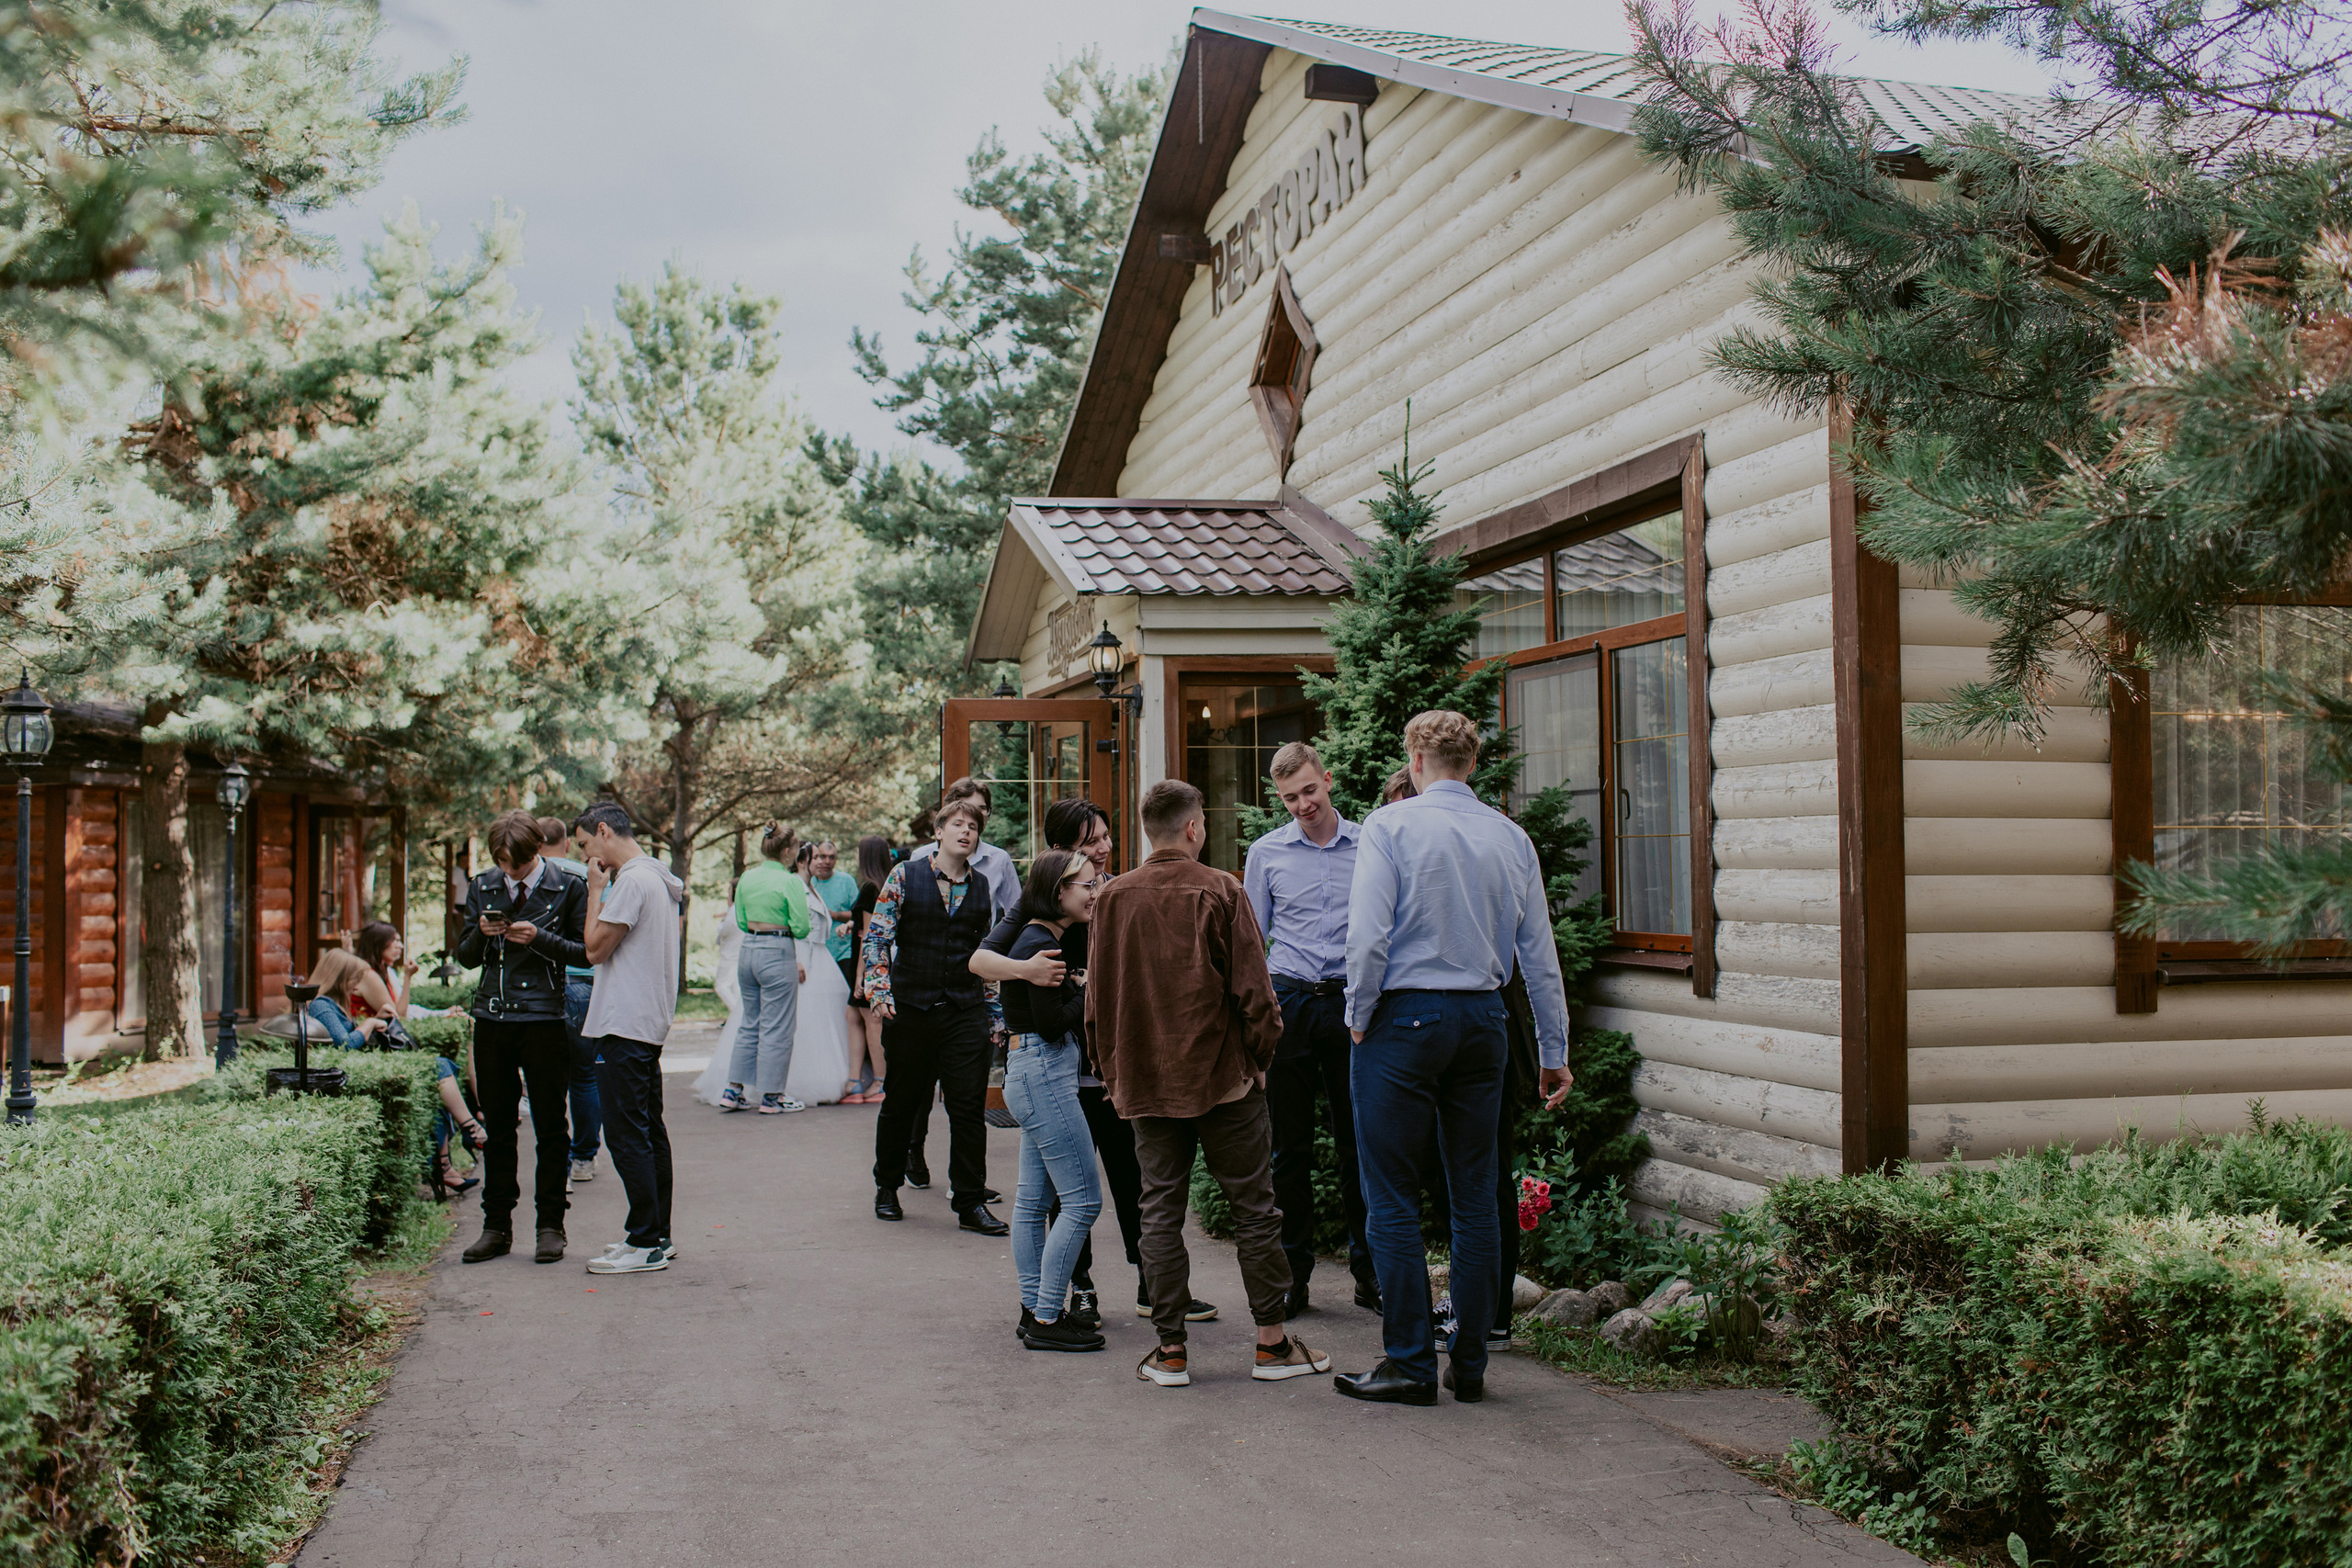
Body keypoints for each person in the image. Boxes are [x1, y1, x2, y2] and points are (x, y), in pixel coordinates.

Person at [1333, 711, 1575, 1407]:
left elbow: (1368, 936)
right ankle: (1469, 1362)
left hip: (1403, 1018)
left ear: (1415, 760)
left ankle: (1410, 1361)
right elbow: (1540, 956)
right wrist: (1553, 1050)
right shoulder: (1510, 836)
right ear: (1471, 764)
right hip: (1484, 1020)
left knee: (1391, 1192)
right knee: (1476, 1196)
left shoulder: (1389, 826)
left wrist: (1358, 1014)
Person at [1087, 778, 1329, 1390]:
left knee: (1158, 1211)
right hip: (1225, 1079)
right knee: (1255, 1209)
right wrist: (1260, 1060)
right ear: (1194, 827)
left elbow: (1097, 1003)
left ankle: (1170, 1351)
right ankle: (1271, 1344)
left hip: (1147, 1080)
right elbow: (1257, 995)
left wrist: (1113, 1071)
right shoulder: (1222, 889)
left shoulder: (1112, 897)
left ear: (1149, 831)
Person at [968, 797, 1213, 1329]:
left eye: (1105, 836)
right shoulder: (1046, 905)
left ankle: (1155, 1286)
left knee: (1133, 1179)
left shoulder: (1117, 889)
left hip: (1108, 1067)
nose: (1104, 848)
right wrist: (1030, 972)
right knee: (1067, 1194)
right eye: (1090, 841)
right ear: (1061, 853)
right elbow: (981, 960)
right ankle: (1076, 1290)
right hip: (1058, 1068)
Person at [1244, 741, 1380, 1318]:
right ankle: (1291, 1277)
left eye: (1308, 790)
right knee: (1288, 1150)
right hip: (1292, 1003)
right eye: (1289, 798)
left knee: (1359, 1145)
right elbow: (1252, 940)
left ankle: (1370, 1275)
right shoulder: (1266, 853)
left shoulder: (1371, 844)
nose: (1302, 805)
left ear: (1327, 779)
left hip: (1354, 1006)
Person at [862, 793, 1009, 1236]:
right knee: (902, 1102)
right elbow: (878, 937)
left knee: (968, 1108)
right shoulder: (905, 875)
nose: (967, 832)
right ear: (939, 832)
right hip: (911, 1008)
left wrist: (995, 1014)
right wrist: (879, 990)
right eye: (958, 825)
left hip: (965, 1010)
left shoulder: (982, 886)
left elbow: (984, 955)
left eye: (974, 827)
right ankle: (887, 1186)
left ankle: (969, 1202)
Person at [454, 810, 590, 1268]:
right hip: (492, 1016)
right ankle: (496, 1227)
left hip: (544, 1017)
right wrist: (481, 933)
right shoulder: (483, 885)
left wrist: (539, 938)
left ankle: (550, 1226)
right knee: (498, 1128)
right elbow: (465, 956)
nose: (510, 872)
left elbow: (586, 953)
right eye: (503, 864)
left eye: (518, 864)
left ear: (536, 851)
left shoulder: (568, 886)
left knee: (551, 1126)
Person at [998, 850, 1106, 1352]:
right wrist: (1090, 989)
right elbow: (1050, 1024)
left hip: (1029, 1071)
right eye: (1087, 884)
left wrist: (1075, 986)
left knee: (1033, 1202)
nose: (1094, 891)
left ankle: (1034, 1309)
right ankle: (1045, 1317)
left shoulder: (1035, 939)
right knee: (1083, 1201)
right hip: (1043, 1072)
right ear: (1059, 892)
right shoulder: (1043, 945)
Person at [576, 801, 687, 1276]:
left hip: (623, 1023)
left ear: (604, 831)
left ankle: (644, 1242)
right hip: (645, 1021)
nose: (585, 856)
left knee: (626, 1136)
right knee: (648, 1131)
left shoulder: (632, 881)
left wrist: (594, 891)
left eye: (585, 844)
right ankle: (656, 1234)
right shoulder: (657, 878)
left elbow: (594, 949)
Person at [718, 822, 812, 1114]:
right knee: (778, 1026)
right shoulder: (790, 881)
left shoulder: (747, 877)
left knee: (750, 1022)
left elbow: (741, 919)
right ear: (786, 852)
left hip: (749, 950)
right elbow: (801, 928)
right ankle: (772, 1097)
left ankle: (733, 1090)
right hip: (777, 950)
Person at [539, 816, 603, 1186]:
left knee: (548, 1079)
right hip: (585, 984)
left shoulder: (531, 879)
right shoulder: (588, 876)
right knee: (585, 1075)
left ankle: (556, 1166)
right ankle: (583, 1158)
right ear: (566, 843)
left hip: (543, 986)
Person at [783, 855, 854, 1107]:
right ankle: (802, 1081)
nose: (822, 861)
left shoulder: (812, 888)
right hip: (805, 957)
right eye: (816, 857)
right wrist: (795, 959)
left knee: (826, 1021)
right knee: (806, 1021)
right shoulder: (794, 885)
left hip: (822, 959)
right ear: (803, 861)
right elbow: (790, 925)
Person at [809, 840, 864, 1088]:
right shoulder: (808, 882)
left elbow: (859, 913)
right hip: (816, 955)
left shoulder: (846, 881)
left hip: (843, 954)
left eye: (831, 857)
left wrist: (834, 915)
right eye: (821, 856)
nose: (826, 862)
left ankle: (850, 1063)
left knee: (846, 1011)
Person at [842, 835, 891, 1102]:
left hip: (867, 962)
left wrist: (862, 973)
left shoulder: (870, 888)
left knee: (872, 1019)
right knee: (853, 1015)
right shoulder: (885, 885)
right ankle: (855, 1081)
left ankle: (880, 1082)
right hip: (876, 960)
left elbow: (869, 935)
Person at [301, 947, 390, 1047]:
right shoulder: (320, 1005)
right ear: (340, 979)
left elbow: (353, 1036)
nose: (357, 986)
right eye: (355, 979)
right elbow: (345, 1045)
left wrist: (377, 1019)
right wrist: (370, 1023)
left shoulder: (333, 1004)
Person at [351, 920, 418, 1021]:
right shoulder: (368, 974)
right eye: (395, 940)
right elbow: (398, 1016)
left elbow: (400, 1009)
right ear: (379, 943)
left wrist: (408, 975)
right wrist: (407, 976)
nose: (401, 946)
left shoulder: (381, 970)